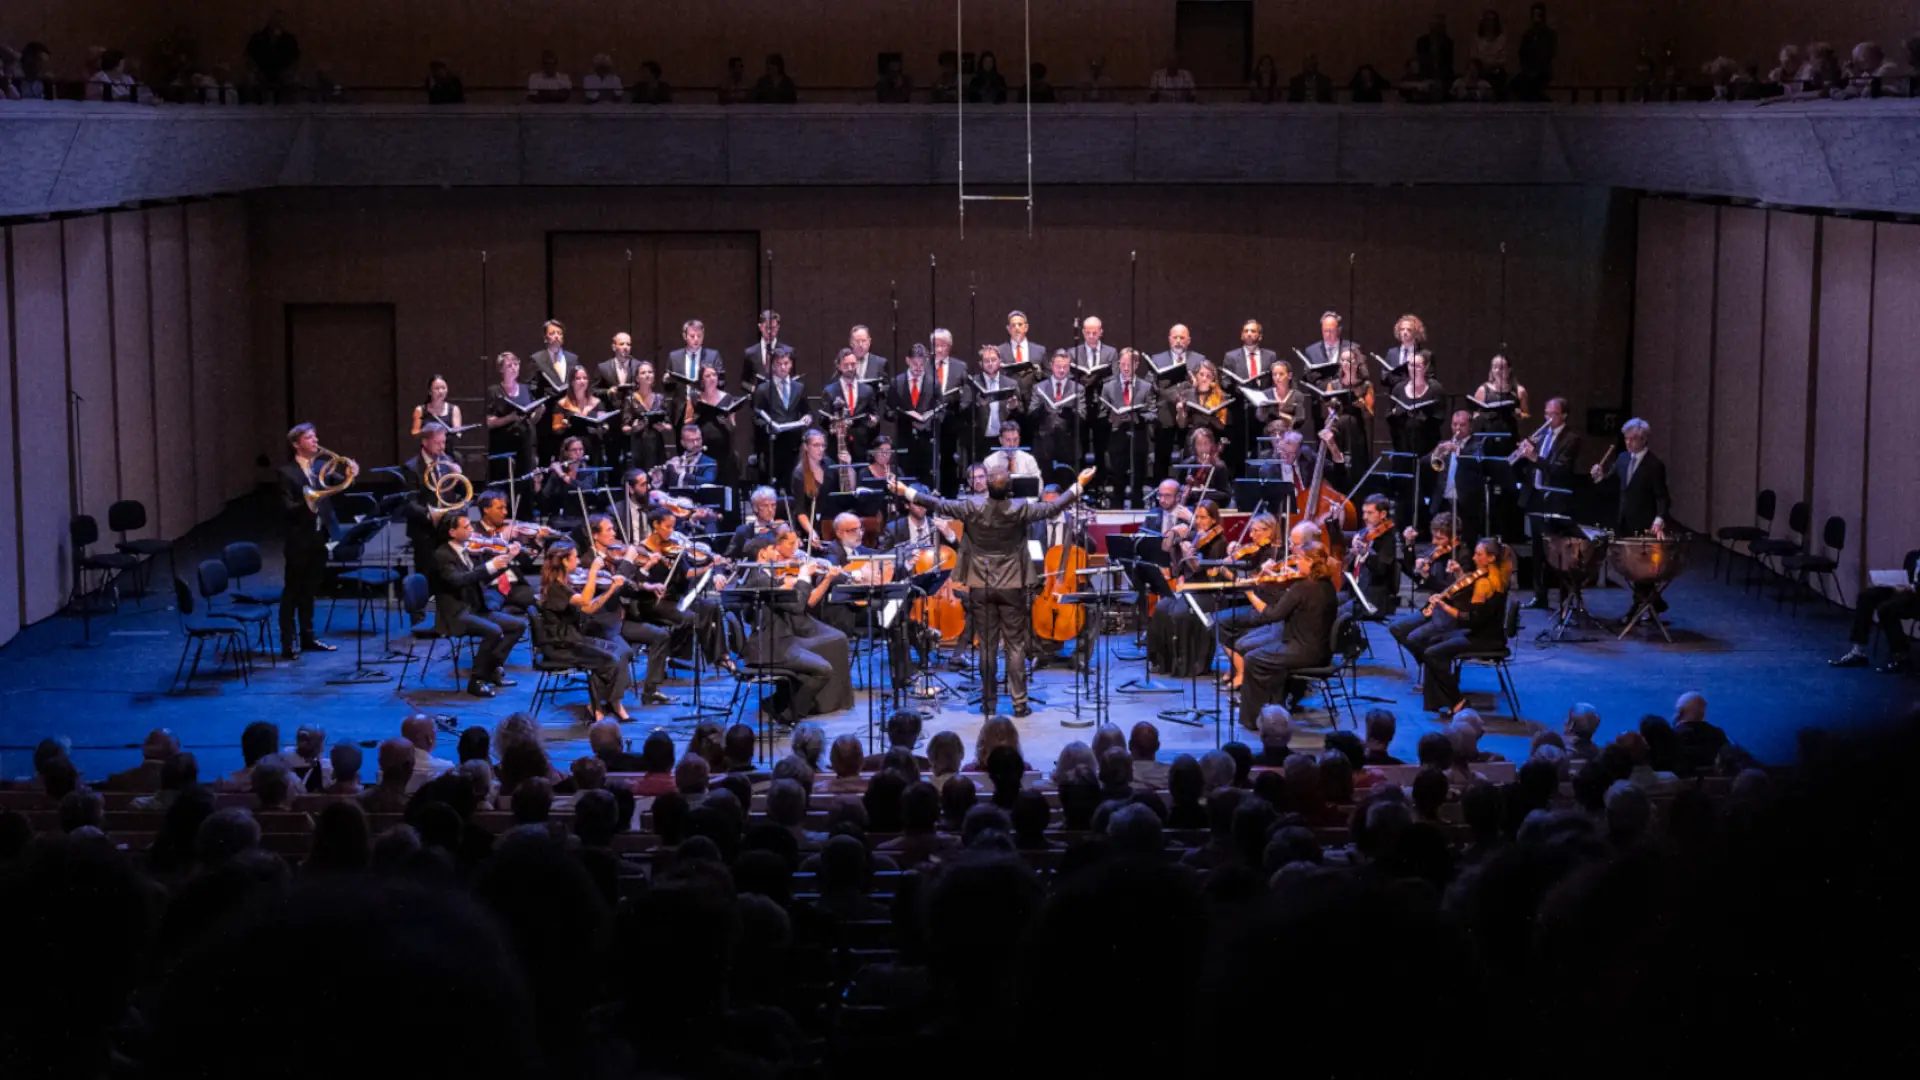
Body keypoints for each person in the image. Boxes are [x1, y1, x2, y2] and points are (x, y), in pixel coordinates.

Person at [890, 465, 1095, 717]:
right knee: (1015, 645)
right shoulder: (1019, 507)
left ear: (987, 485)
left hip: (981, 584)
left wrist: (905, 491)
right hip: (1012, 585)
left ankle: (989, 703)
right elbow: (1054, 508)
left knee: (986, 647)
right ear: (1009, 488)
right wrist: (1079, 484)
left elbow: (938, 504)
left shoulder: (971, 506)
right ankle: (1020, 704)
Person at [738, 525, 854, 722]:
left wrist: (784, 584)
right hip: (773, 646)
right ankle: (791, 714)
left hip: (779, 640)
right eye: (773, 549)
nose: (777, 552)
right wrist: (803, 577)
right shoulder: (760, 579)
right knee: (823, 670)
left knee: (819, 659)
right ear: (764, 553)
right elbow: (798, 607)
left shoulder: (759, 576)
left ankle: (779, 703)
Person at [1405, 537, 1511, 716]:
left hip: (1484, 639)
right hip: (1480, 633)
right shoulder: (1490, 576)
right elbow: (1467, 598)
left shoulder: (1485, 583)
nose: (1475, 558)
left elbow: (1471, 619)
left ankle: (1456, 700)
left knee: (1432, 653)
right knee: (1433, 642)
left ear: (1491, 558)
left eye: (1479, 555)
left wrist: (1444, 606)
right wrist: (1459, 575)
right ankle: (1440, 701)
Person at [533, 542, 633, 722]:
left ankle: (609, 703)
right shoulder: (556, 587)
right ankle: (598, 708)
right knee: (608, 659)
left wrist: (612, 588)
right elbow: (587, 601)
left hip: (574, 638)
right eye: (575, 557)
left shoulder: (565, 583)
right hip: (562, 645)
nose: (578, 561)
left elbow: (588, 609)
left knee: (622, 651)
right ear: (564, 561)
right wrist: (593, 571)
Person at [431, 515, 527, 697]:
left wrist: (505, 560)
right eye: (466, 527)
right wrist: (489, 566)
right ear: (452, 532)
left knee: (518, 626)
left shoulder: (467, 550)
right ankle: (476, 681)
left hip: (475, 609)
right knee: (494, 631)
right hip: (455, 614)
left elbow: (480, 577)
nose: (471, 530)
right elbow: (458, 581)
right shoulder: (442, 555)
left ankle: (492, 668)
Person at [1589, 417, 1673, 621]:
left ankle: (1638, 608)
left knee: (1641, 569)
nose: (1628, 442)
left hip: (1644, 523)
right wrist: (1598, 476)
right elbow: (1610, 484)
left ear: (1644, 439)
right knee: (1631, 569)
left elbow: (1662, 496)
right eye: (1626, 438)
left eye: (1633, 439)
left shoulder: (1655, 465)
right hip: (1624, 520)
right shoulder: (1622, 459)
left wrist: (1659, 519)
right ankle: (1654, 602)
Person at [1148, 500, 1231, 678]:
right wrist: (1173, 532)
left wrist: (1190, 555)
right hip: (1189, 589)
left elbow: (1204, 572)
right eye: (1198, 517)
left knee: (1179, 613)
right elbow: (1167, 548)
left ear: (1214, 519)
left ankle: (1188, 664)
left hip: (1208, 590)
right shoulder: (1195, 536)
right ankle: (1164, 663)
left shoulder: (1218, 542)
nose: (1200, 521)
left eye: (1204, 517)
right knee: (1162, 608)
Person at [1516, 396, 1583, 611]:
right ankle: (1539, 595)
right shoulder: (1542, 435)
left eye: (1553, 414)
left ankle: (1564, 599)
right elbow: (1533, 467)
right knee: (1537, 549)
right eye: (1546, 414)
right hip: (1536, 497)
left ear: (1563, 415)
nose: (1548, 418)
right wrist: (1523, 454)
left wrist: (1535, 457)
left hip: (1556, 499)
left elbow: (1560, 470)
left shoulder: (1572, 439)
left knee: (1558, 551)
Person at [278, 424, 339, 658]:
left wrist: (352, 472)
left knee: (310, 591)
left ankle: (308, 637)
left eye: (315, 437)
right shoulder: (286, 472)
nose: (315, 441)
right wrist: (309, 504)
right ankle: (288, 642)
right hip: (298, 540)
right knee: (292, 591)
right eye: (309, 438)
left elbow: (340, 482)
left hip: (319, 538)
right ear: (296, 444)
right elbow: (287, 508)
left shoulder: (321, 467)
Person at [1099, 348, 1155, 508]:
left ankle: (1137, 515)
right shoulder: (1108, 387)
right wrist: (1111, 418)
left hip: (1138, 438)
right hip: (1117, 438)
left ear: (1136, 364)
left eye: (1128, 365)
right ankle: (1116, 513)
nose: (1125, 368)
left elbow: (1152, 413)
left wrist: (1138, 417)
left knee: (1137, 482)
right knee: (1118, 481)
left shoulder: (1146, 387)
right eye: (1122, 364)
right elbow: (1102, 414)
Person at [486, 352, 544, 482]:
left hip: (525, 443)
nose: (514, 368)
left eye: (516, 364)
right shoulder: (494, 391)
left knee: (525, 482)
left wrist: (539, 412)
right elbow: (489, 422)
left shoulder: (526, 389)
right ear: (501, 369)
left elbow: (532, 420)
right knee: (504, 483)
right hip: (504, 443)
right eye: (509, 365)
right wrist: (509, 418)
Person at [1028, 351, 1083, 486]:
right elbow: (1031, 413)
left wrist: (1069, 413)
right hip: (1044, 444)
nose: (1062, 370)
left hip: (1067, 444)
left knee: (1066, 484)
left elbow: (1083, 415)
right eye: (1058, 366)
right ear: (1052, 366)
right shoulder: (1039, 387)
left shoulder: (1078, 388)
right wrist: (1043, 411)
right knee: (1045, 483)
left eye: (1065, 366)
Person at [1513, 4, 1558, 100]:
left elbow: (1549, 53)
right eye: (1535, 15)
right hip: (1528, 70)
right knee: (1516, 83)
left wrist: (1537, 66)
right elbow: (1522, 53)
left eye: (1539, 15)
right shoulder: (1527, 35)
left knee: (1530, 83)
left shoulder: (1549, 34)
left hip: (1543, 71)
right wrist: (1526, 67)